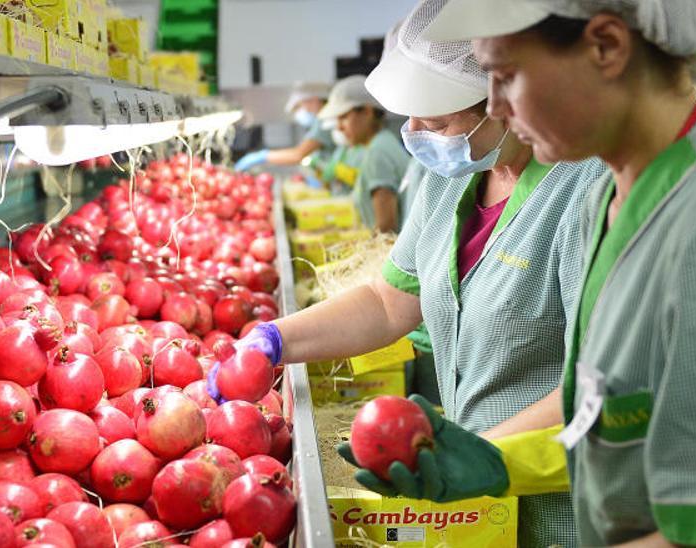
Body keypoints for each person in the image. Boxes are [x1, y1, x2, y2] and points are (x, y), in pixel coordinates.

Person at [393, 0, 696, 545]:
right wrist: (504, 462)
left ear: (606, 46)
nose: (495, 107)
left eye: (507, 76)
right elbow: (620, 408)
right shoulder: (608, 198)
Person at [214, 2, 606, 545]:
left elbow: (599, 383)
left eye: (437, 121)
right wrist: (277, 339)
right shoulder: (450, 178)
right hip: (471, 506)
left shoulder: (587, 190)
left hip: (563, 507)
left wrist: (480, 455)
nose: (418, 135)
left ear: (502, 101)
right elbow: (389, 300)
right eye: (412, 119)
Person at [316, 75, 413, 232]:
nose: (339, 127)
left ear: (367, 111)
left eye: (343, 117)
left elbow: (386, 229)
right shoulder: (383, 142)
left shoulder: (377, 153)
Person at [235, 82, 336, 186]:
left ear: (314, 100)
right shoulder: (319, 122)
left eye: (300, 105)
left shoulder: (324, 121)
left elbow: (297, 155)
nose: (302, 111)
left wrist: (262, 156)